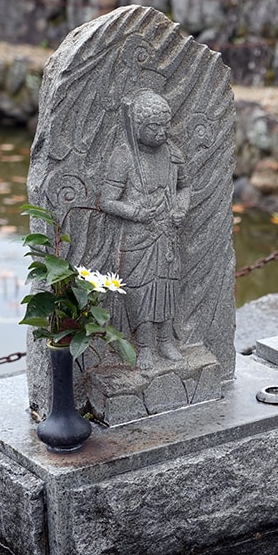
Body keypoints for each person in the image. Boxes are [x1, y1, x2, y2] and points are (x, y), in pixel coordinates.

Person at [100, 88, 189, 369]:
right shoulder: (124, 157)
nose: (162, 133)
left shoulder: (173, 154)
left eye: (166, 125)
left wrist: (181, 208)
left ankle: (166, 340)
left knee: (166, 287)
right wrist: (136, 212)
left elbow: (184, 187)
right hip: (137, 238)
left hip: (167, 234)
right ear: (138, 127)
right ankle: (146, 345)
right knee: (139, 290)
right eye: (154, 127)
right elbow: (107, 201)